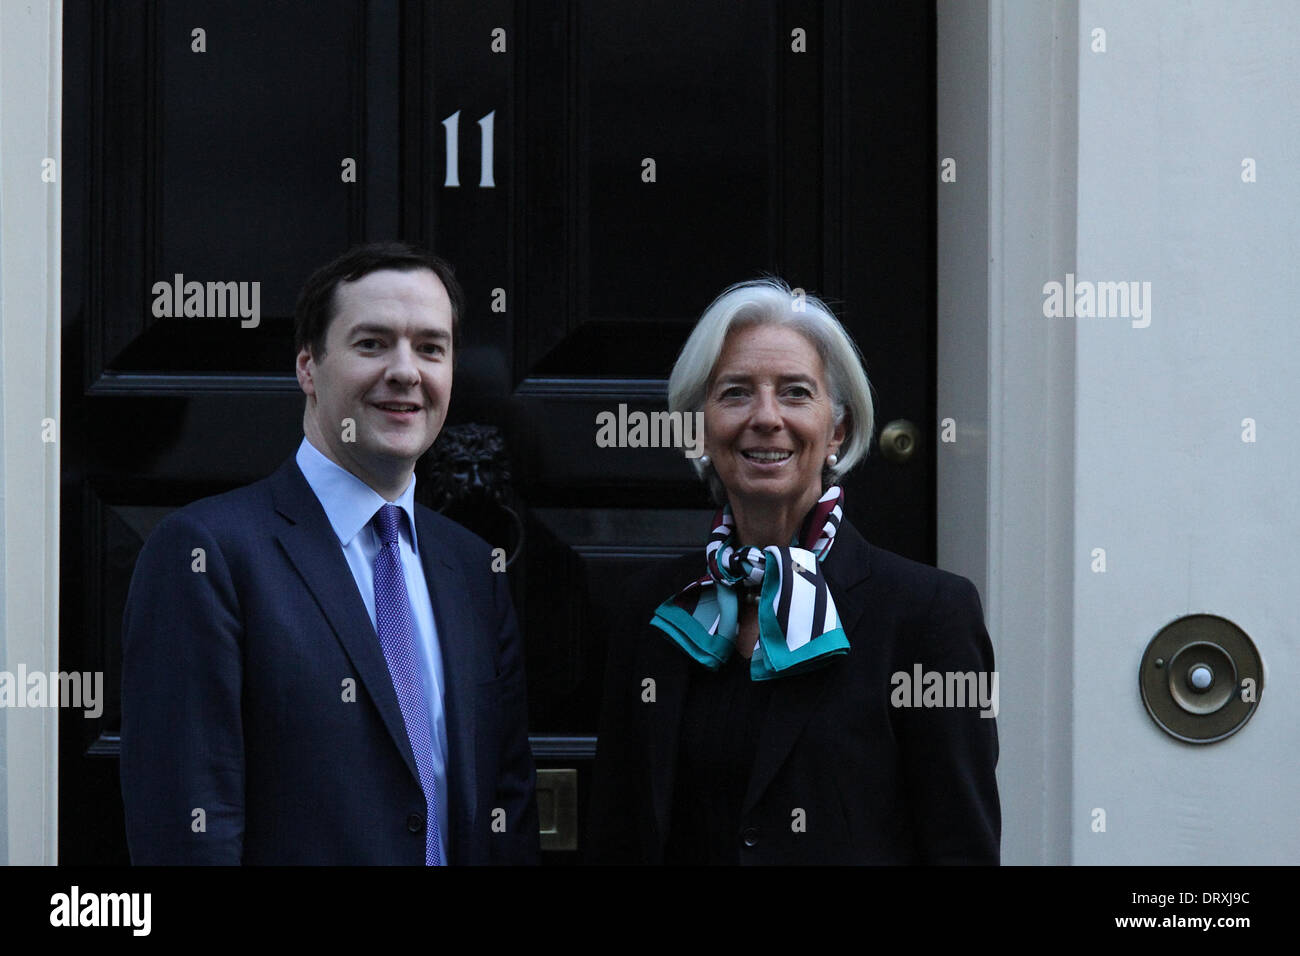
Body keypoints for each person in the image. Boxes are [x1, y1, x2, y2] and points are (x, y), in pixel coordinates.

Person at [120, 242, 539, 865]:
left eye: (430, 347)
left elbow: (507, 812)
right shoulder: (209, 556)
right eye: (371, 344)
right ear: (308, 368)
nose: (406, 371)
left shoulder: (475, 569)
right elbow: (190, 834)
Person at [587, 278, 1000, 864]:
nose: (765, 417)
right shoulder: (653, 609)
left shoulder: (930, 616)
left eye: (795, 393)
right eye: (734, 393)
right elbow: (617, 835)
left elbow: (962, 847)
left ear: (837, 430)